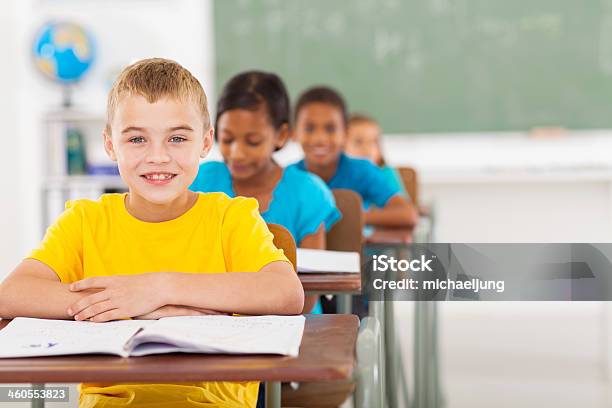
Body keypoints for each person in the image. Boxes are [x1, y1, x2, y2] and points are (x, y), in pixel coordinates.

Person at [0, 58, 304, 408]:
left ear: (205, 142)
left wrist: (158, 288)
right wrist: (128, 307)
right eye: (137, 139)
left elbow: (285, 293)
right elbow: (12, 294)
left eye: (176, 138)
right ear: (111, 145)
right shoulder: (85, 221)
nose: (158, 157)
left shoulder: (231, 218)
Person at [190, 71, 340, 313]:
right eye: (227, 139)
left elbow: (309, 291)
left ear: (281, 135)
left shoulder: (307, 192)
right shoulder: (199, 179)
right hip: (206, 321)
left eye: (253, 142)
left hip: (291, 327)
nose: (237, 153)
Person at [289, 86, 418, 229]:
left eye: (330, 128)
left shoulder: (363, 171)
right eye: (309, 128)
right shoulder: (286, 178)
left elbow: (408, 214)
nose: (320, 138)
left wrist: (348, 217)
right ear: (293, 133)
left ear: (345, 133)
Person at [345, 113, 409, 199]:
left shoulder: (386, 174)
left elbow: (402, 208)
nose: (368, 149)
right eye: (358, 142)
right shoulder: (340, 176)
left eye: (374, 141)